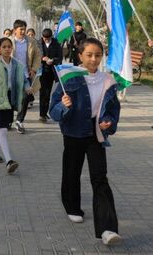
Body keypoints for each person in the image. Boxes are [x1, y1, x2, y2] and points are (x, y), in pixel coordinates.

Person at [49, 37, 121, 246]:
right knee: (72, 171)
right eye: (89, 55)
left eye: (98, 55)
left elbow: (113, 110)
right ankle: (72, 206)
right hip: (73, 132)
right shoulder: (69, 79)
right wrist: (63, 105)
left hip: (96, 134)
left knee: (100, 178)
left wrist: (109, 121)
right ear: (80, 55)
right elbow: (53, 113)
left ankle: (107, 228)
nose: (93, 59)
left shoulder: (108, 80)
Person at [0, 37, 32, 174]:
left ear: (12, 48)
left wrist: (27, 87)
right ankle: (9, 161)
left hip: (10, 98)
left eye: (9, 46)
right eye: (4, 47)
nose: (7, 49)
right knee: (3, 129)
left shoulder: (17, 64)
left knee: (1, 127)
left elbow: (23, 78)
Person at [11, 19, 42, 134]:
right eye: (21, 29)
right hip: (11, 75)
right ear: (15, 30)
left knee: (25, 98)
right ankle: (9, 119)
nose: (23, 31)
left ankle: (19, 121)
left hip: (26, 75)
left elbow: (38, 56)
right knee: (11, 98)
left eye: (24, 29)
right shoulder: (8, 42)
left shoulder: (31, 42)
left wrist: (34, 69)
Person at [39, 28, 62, 122]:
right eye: (44, 38)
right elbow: (34, 55)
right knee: (42, 93)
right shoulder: (39, 43)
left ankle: (45, 112)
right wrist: (42, 58)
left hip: (51, 72)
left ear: (51, 37)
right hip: (41, 72)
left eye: (48, 39)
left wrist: (53, 60)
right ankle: (42, 114)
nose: (46, 40)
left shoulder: (56, 44)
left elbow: (60, 58)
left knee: (48, 93)